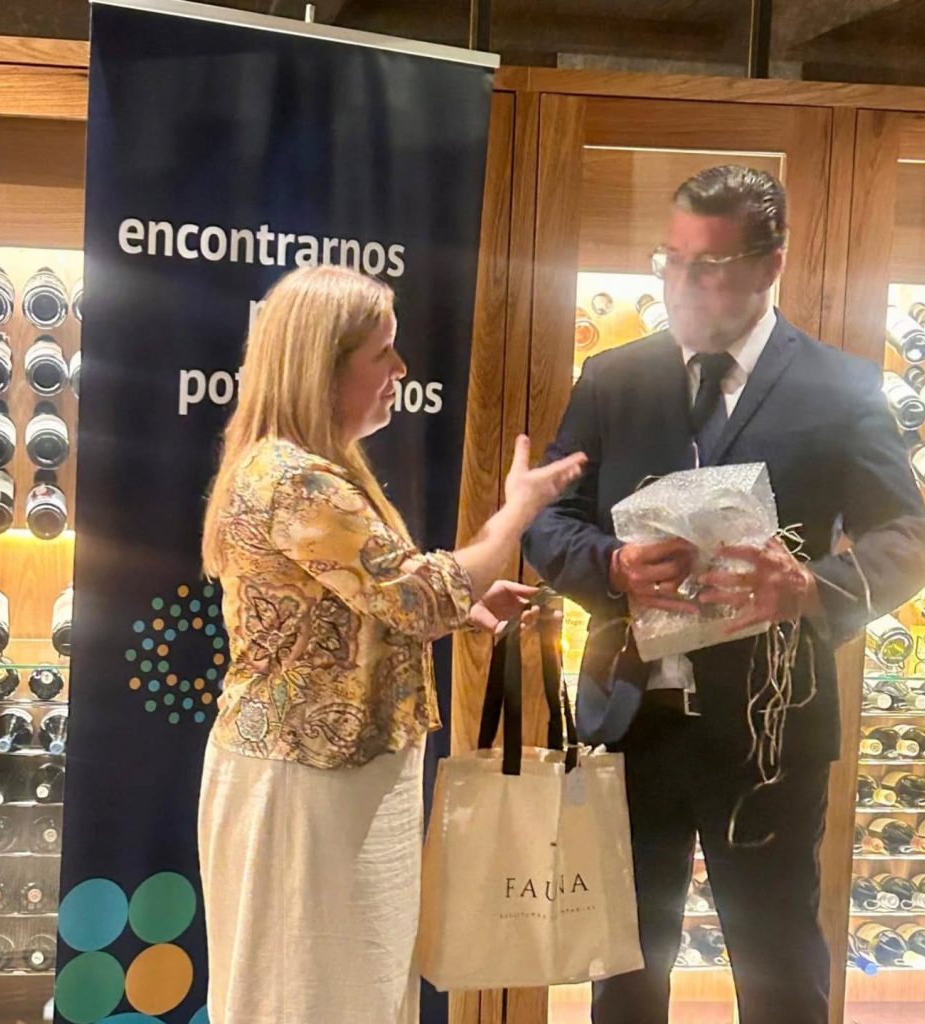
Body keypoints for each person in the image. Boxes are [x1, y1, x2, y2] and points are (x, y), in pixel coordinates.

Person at [523, 165, 925, 1024]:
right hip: (630, 721)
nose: (681, 284)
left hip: (771, 734)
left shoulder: (840, 387)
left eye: (708, 265)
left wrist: (812, 587)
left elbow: (909, 539)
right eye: (670, 260)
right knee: (623, 975)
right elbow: (545, 520)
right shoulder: (613, 377)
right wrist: (609, 565)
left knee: (779, 972)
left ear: (769, 263)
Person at [197, 265, 585, 1024]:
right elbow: (412, 597)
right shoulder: (296, 481)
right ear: (324, 366)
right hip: (308, 784)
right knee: (310, 994)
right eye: (383, 353)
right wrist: (515, 515)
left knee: (354, 988)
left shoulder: (303, 468)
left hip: (341, 776)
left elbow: (362, 597)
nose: (401, 369)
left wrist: (468, 607)